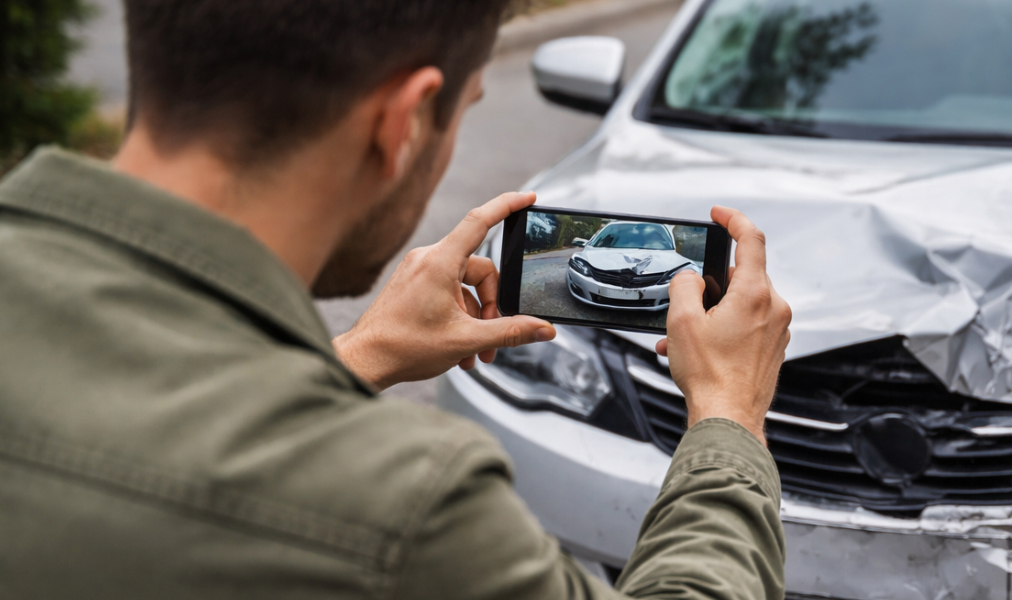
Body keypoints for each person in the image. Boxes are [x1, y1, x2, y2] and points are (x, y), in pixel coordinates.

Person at [0, 0, 792, 598]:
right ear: (406, 122)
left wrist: (360, 356)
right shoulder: (410, 506)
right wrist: (728, 417)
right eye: (465, 109)